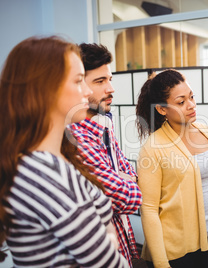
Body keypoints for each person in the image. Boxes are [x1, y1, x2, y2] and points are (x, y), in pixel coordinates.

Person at [0, 36, 128, 267]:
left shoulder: (54, 158)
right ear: (46, 90)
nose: (87, 92)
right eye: (79, 81)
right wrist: (108, 235)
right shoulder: (46, 173)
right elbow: (107, 262)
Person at [136, 69, 208, 268]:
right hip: (175, 250)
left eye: (191, 97)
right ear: (161, 109)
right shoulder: (152, 147)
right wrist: (161, 263)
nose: (191, 105)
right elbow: (149, 209)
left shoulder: (207, 132)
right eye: (181, 102)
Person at [68, 43, 143, 267]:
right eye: (100, 81)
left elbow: (128, 174)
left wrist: (123, 177)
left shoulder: (103, 124)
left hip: (122, 245)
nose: (110, 88)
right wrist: (123, 179)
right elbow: (127, 197)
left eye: (109, 79)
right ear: (78, 86)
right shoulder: (74, 138)